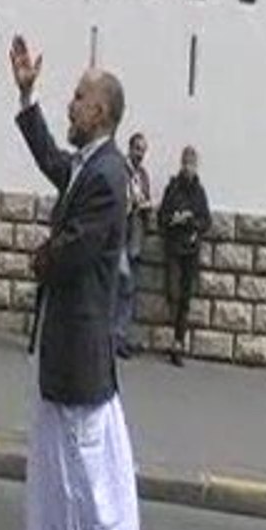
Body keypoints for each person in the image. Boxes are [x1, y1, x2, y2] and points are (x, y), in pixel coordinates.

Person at [10, 35, 141, 530]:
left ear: (101, 111)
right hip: (70, 354)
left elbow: (79, 245)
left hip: (82, 356)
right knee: (59, 483)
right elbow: (51, 160)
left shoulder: (109, 174)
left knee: (85, 487)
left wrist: (37, 260)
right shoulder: (90, 164)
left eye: (79, 97)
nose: (71, 103)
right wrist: (27, 97)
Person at [158, 146, 212, 368]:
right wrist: (174, 220)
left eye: (192, 163)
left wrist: (193, 222)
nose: (189, 167)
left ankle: (178, 343)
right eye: (186, 163)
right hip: (174, 248)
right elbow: (162, 217)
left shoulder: (199, 191)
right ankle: (174, 333)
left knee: (186, 299)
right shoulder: (173, 188)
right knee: (173, 293)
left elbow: (206, 220)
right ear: (181, 164)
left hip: (191, 250)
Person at [114, 132, 152, 360]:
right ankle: (113, 336)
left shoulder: (143, 175)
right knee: (122, 286)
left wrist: (145, 204)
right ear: (130, 148)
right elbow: (118, 201)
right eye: (138, 149)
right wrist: (131, 203)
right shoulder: (121, 171)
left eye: (143, 150)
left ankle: (120, 335)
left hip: (135, 238)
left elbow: (145, 198)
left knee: (128, 292)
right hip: (120, 237)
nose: (140, 154)